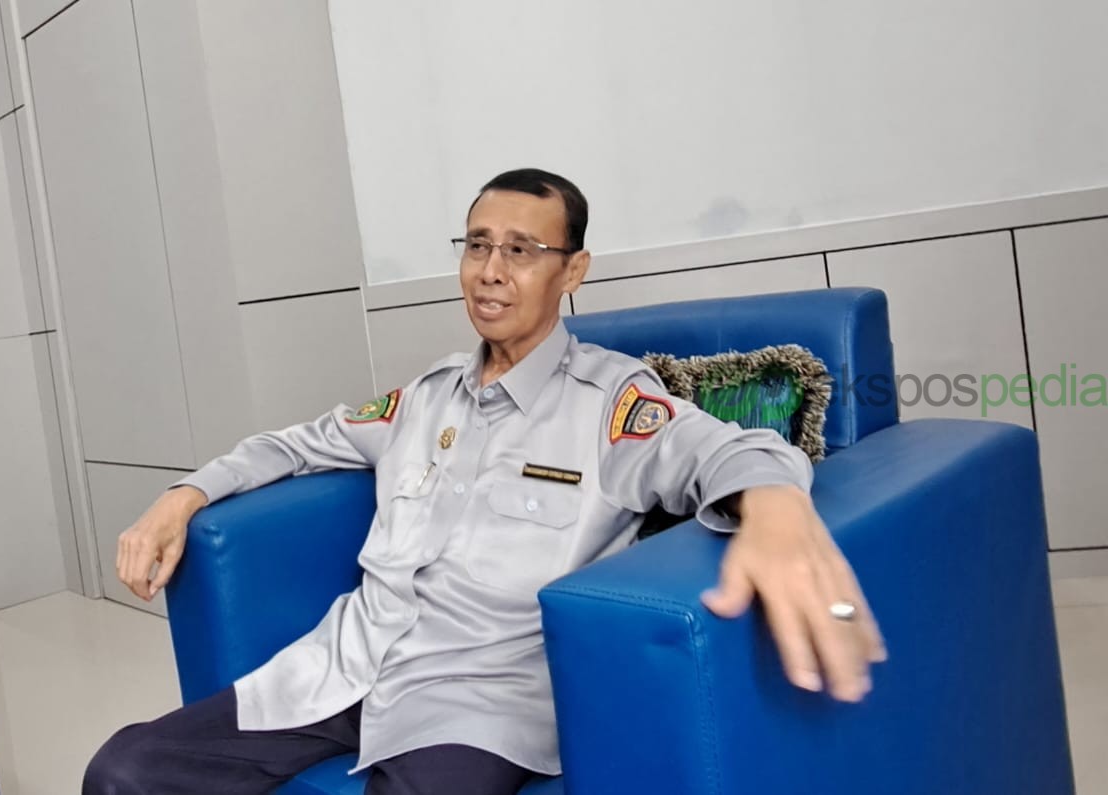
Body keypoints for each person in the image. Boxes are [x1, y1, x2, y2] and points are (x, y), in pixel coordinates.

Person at [85, 168, 886, 795]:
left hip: (481, 697)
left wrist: (777, 512)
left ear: (572, 270)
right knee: (124, 770)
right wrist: (183, 495)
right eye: (477, 246)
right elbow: (295, 444)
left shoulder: (612, 402)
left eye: (521, 251)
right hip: (347, 663)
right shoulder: (426, 396)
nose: (491, 271)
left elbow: (727, 451)